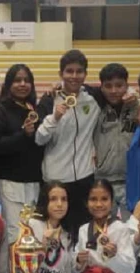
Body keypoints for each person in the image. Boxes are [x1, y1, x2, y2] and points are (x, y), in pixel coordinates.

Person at [36, 50, 100, 236]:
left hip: (84, 177)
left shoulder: (93, 98)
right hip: (56, 179)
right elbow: (39, 139)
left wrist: (131, 92)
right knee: (55, 232)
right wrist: (54, 117)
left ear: (85, 74)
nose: (74, 76)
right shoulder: (49, 100)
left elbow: (119, 91)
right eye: (69, 71)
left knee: (83, 231)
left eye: (79, 71)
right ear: (61, 74)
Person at [0, 64, 44, 244]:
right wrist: (23, 135)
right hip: (10, 181)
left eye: (27, 80)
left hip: (34, 181)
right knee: (14, 234)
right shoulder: (0, 110)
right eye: (17, 80)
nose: (22, 84)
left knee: (33, 233)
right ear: (9, 84)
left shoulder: (34, 109)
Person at [92, 63, 140, 218]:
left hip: (133, 181)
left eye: (119, 85)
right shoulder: (96, 108)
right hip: (104, 181)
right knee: (107, 232)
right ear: (101, 88)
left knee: (132, 230)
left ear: (127, 86)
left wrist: (139, 100)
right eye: (108, 86)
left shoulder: (138, 107)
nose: (114, 91)